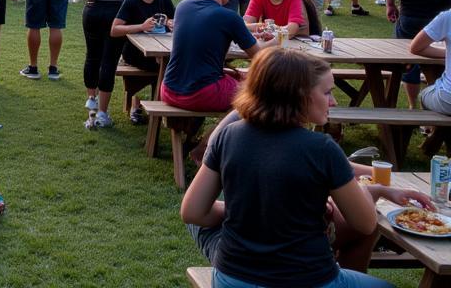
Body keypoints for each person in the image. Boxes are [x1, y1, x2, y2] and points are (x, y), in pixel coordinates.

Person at [181, 48, 423, 288]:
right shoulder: (322, 148)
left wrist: (247, 209)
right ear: (299, 95)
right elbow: (365, 224)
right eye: (327, 92)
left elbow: (192, 212)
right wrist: (374, 192)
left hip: (231, 279)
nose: (333, 101)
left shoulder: (228, 136)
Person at [161, 0, 259, 111]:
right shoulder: (229, 17)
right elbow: (259, 56)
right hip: (200, 94)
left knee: (237, 76)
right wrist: (277, 41)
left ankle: (192, 132)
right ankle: (222, 134)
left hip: (169, 89)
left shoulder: (183, 6)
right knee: (257, 89)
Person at [79, 0, 135, 129]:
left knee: (92, 56)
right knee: (109, 60)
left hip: (92, 9)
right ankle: (102, 111)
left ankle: (91, 101)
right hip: (115, 11)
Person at [112, 0, 175, 125]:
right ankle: (139, 104)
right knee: (164, 66)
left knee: (169, 64)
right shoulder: (133, 1)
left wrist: (172, 24)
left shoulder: (165, 1)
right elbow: (114, 30)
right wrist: (141, 26)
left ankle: (163, 106)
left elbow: (176, 24)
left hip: (160, 50)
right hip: (136, 54)